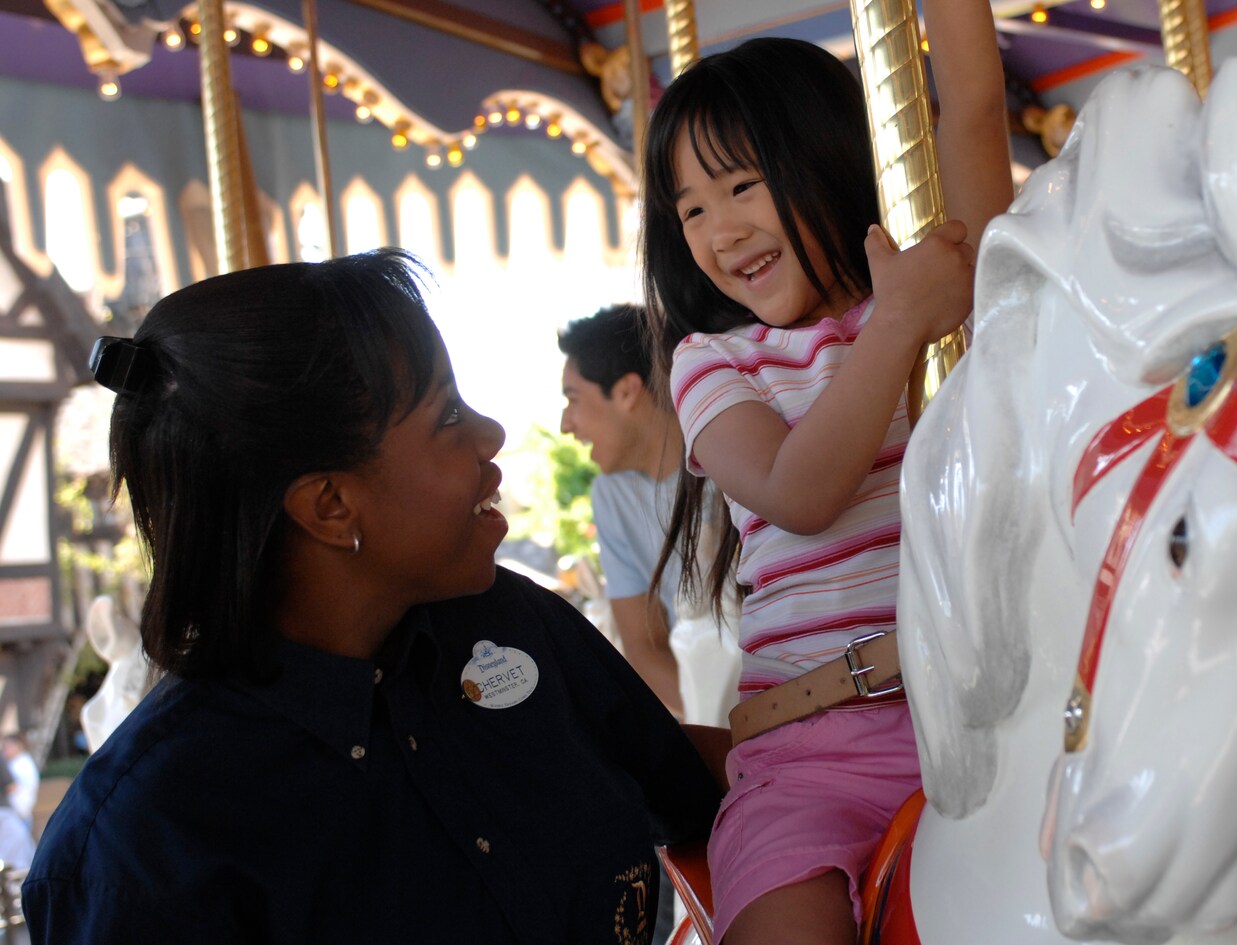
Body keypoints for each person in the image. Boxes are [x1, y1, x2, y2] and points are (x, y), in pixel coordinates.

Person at [22, 250, 722, 943]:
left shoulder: (511, 624)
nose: (492, 434)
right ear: (330, 505)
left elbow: (686, 779)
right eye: (448, 415)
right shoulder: (144, 845)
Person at [639, 3, 1014, 941]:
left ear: (828, 155)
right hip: (812, 755)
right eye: (690, 208)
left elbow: (973, 108)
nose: (719, 230)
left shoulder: (942, 295)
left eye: (741, 185)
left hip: (987, 724)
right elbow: (801, 492)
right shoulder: (714, 365)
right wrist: (896, 327)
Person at [560, 303, 742, 726]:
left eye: (573, 399)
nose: (567, 424)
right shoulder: (611, 494)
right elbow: (643, 647)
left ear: (626, 391)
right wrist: (725, 720)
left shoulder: (729, 453)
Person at [1, 734, 37, 830]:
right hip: (18, 813)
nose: (4, 750)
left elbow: (13, 787)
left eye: (7, 747)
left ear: (18, 746)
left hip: (19, 812)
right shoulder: (15, 762)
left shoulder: (22, 763)